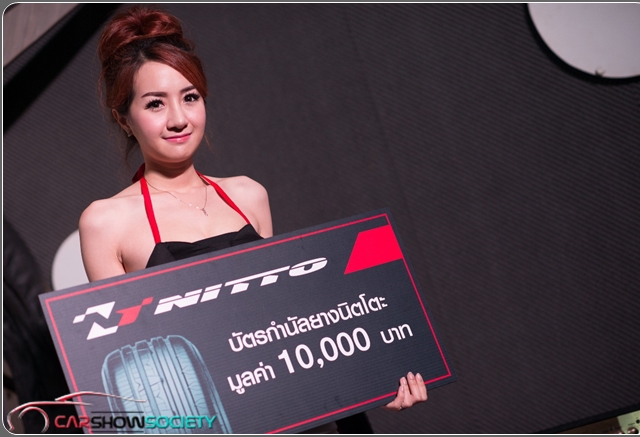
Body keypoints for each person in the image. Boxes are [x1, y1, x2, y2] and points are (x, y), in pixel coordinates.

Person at [79, 5, 427, 433]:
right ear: (124, 119)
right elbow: (135, 377)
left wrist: (371, 379)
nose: (179, 119)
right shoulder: (106, 222)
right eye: (155, 104)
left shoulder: (249, 194)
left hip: (308, 416)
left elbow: (285, 328)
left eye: (190, 97)